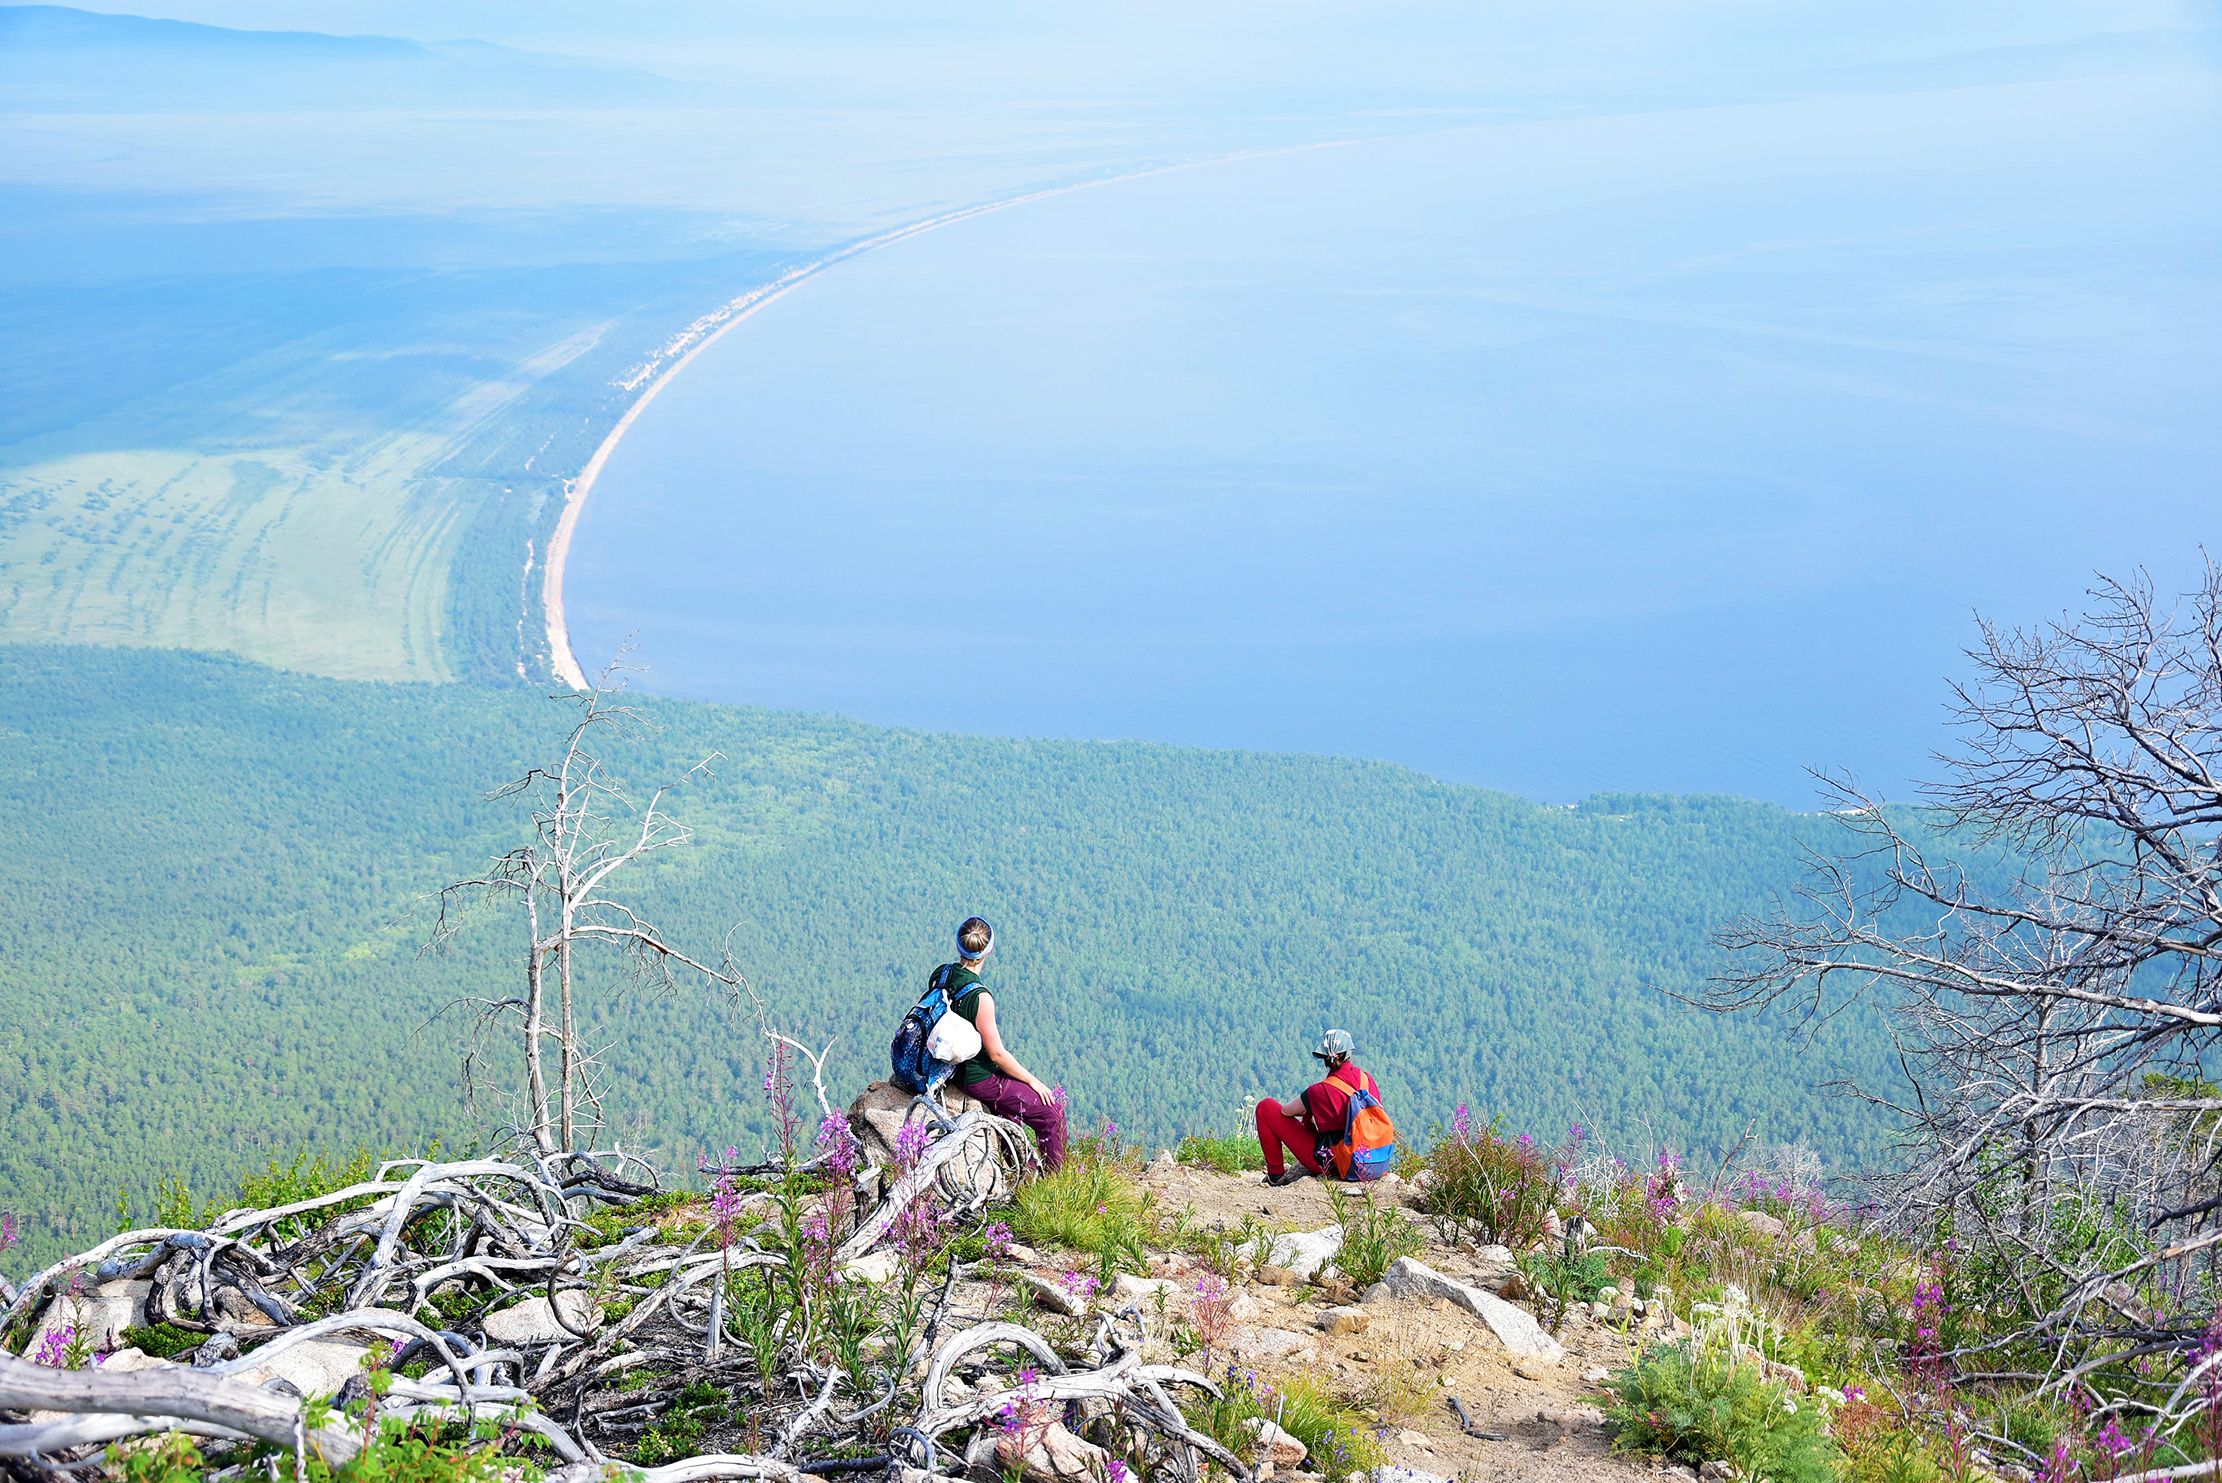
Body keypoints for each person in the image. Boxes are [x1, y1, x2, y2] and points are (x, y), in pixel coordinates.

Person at [934, 915, 1067, 1171]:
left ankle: (1023, 1172)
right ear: (989, 949)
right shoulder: (980, 998)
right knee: (1052, 1113)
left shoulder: (942, 973)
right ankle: (1056, 1183)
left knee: (1007, 1114)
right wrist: (1033, 1081)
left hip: (946, 1067)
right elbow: (996, 1054)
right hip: (976, 1077)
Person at [1253, 1028, 1383, 1187]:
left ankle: (1275, 1174)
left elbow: (1286, 1111)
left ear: (1324, 1057)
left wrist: (1311, 1110)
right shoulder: (1366, 1079)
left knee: (1265, 1107)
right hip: (1372, 1158)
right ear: (1349, 1054)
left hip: (1333, 1163)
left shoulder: (1319, 1090)